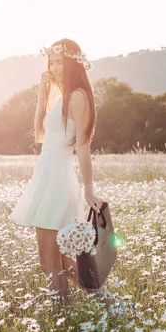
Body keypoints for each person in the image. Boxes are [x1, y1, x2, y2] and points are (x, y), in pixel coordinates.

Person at [8, 38, 116, 310]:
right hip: (46, 176)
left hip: (58, 180)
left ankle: (66, 314)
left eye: (59, 62)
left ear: (71, 63)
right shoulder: (61, 97)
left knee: (51, 259)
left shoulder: (78, 96)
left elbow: (82, 145)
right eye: (51, 62)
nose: (54, 68)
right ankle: (110, 308)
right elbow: (41, 136)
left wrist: (89, 189)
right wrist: (43, 94)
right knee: (63, 262)